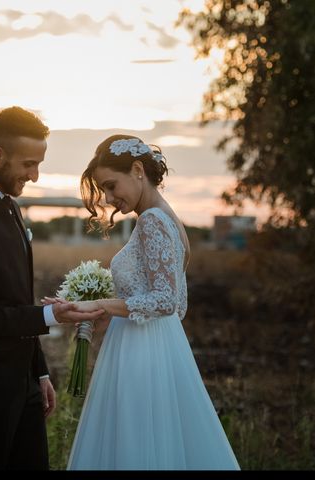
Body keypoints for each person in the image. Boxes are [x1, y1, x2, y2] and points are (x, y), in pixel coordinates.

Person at [43, 134, 240, 470]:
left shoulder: (151, 220)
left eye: (110, 185)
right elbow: (178, 306)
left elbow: (164, 301)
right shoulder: (169, 218)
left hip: (140, 354)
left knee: (134, 445)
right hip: (159, 348)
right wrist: (113, 312)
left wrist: (99, 305)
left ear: (137, 169)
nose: (108, 198)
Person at [0, 106, 104, 470]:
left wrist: (39, 372)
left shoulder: (10, 206)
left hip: (24, 387)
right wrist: (50, 315)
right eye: (29, 164)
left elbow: (16, 301)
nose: (35, 174)